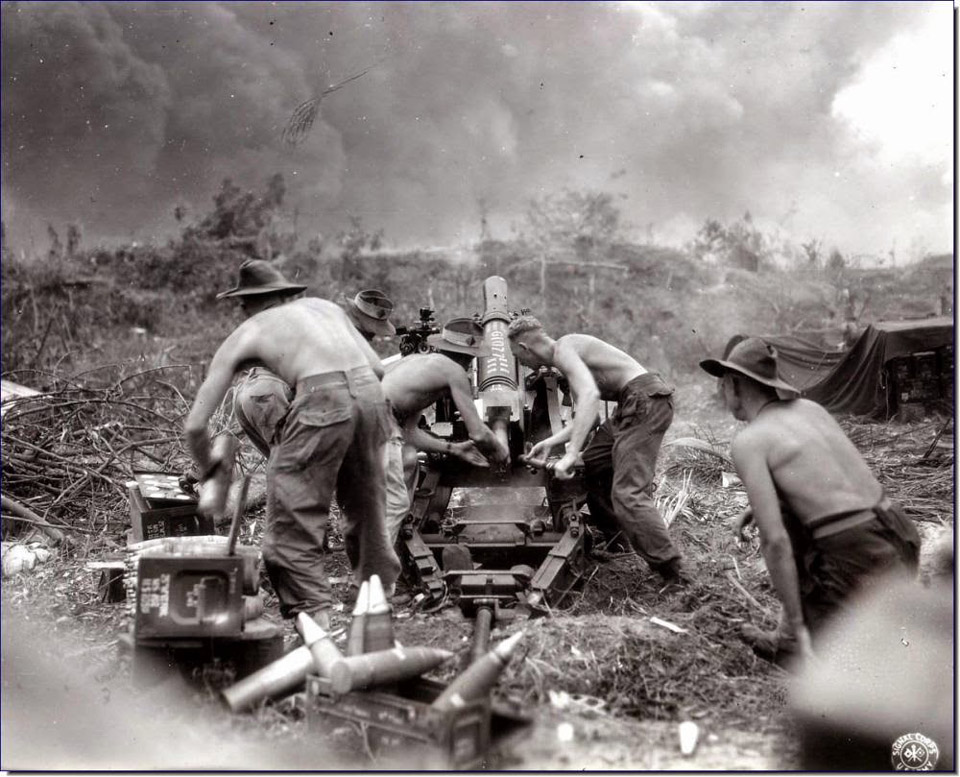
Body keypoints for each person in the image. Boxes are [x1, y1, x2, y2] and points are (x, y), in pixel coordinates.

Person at [184, 259, 401, 629]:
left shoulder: (248, 330)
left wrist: (211, 471)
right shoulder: (327, 309)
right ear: (286, 294)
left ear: (248, 302)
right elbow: (378, 370)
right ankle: (376, 606)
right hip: (372, 398)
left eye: (241, 304)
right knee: (366, 506)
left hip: (321, 400)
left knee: (290, 525)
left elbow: (194, 426)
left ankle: (317, 626)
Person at [699, 337, 920, 666]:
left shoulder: (750, 440)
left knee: (842, 660)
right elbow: (829, 480)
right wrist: (759, 506)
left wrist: (800, 627)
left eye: (723, 385)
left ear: (734, 384)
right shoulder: (812, 409)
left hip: (857, 555)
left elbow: (775, 543)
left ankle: (794, 642)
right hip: (899, 534)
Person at [506, 315, 691, 586]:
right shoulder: (565, 361)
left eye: (518, 357)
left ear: (524, 347)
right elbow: (588, 417)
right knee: (588, 469)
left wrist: (570, 454)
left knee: (629, 493)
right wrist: (552, 442)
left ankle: (674, 572)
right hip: (630, 405)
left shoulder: (565, 349)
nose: (521, 364)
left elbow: (591, 396)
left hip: (644, 401)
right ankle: (619, 543)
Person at [381, 317, 511, 540]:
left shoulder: (419, 363)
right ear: (469, 357)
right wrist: (501, 453)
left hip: (369, 418)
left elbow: (410, 433)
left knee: (408, 460)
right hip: (377, 421)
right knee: (395, 504)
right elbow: (478, 433)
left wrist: (453, 448)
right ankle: (378, 572)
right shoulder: (454, 371)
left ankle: (384, 556)